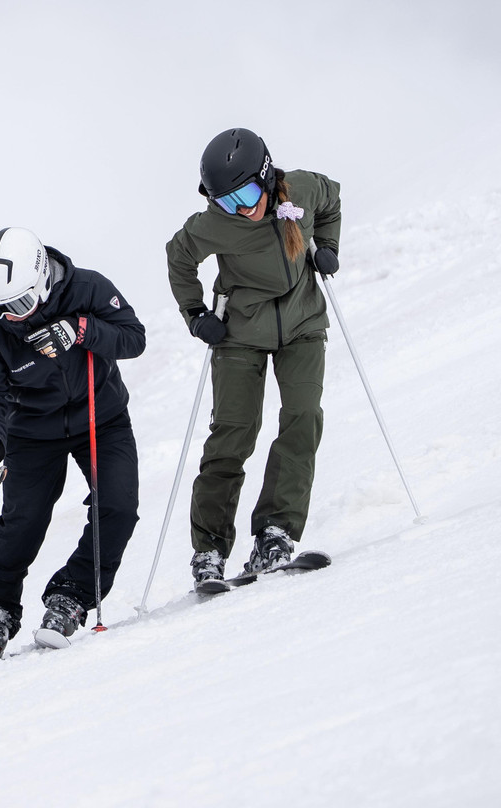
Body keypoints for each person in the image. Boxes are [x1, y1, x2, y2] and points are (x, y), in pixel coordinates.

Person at [166, 127, 341, 589]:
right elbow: (178, 257)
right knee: (233, 434)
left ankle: (275, 533)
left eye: (244, 195)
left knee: (303, 418)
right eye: (226, 201)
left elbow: (332, 199)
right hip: (239, 334)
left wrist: (328, 248)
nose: (240, 208)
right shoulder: (213, 224)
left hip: (303, 324)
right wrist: (195, 314)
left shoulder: (301, 189)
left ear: (264, 177)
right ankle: (209, 550)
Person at [0, 227, 147, 660]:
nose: (10, 318)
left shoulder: (88, 288)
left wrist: (82, 329)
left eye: (18, 305)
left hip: (101, 417)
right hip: (32, 431)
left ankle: (72, 596)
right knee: (23, 521)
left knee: (118, 506)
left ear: (42, 279)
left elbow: (133, 337)